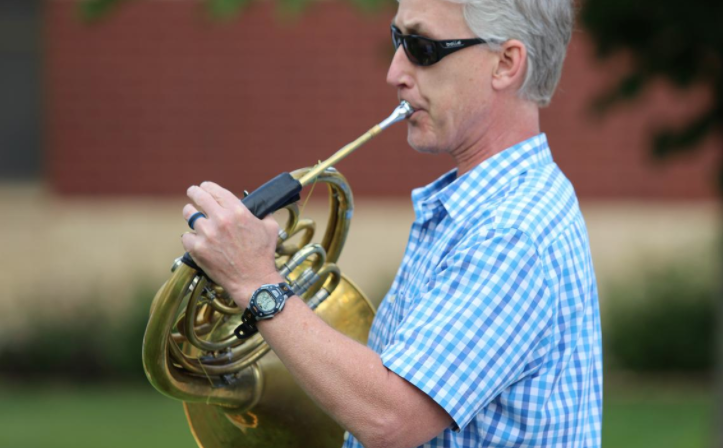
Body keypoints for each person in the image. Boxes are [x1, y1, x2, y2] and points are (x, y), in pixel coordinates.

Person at [181, 0, 603, 446]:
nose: (394, 71)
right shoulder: (483, 209)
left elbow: (392, 417)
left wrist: (255, 281)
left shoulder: (511, 230)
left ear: (505, 63)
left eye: (421, 47)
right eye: (397, 40)